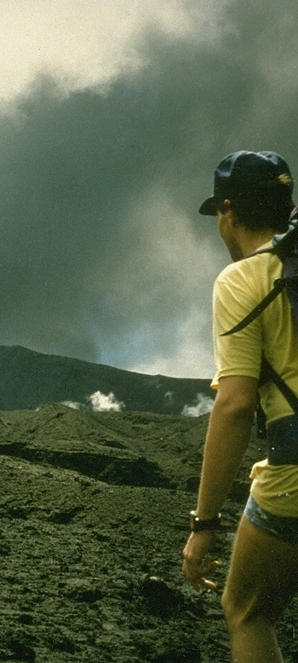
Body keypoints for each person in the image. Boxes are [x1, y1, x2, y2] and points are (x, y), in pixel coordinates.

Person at [182, 150, 298, 663]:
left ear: (228, 212)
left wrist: (203, 526)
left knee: (247, 611)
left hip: (293, 481)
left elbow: (233, 406)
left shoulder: (243, 280)